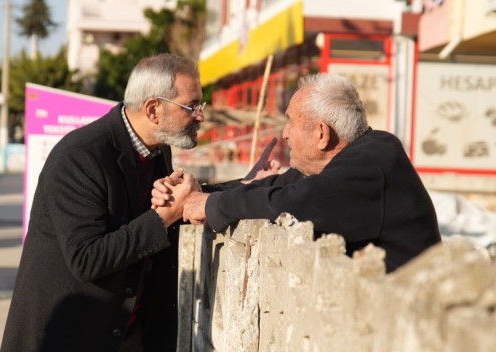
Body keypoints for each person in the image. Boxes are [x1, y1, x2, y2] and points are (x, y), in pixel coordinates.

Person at [0, 53, 205, 352]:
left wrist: (240, 188)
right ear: (153, 109)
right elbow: (86, 258)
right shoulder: (81, 156)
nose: (200, 116)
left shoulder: (156, 149)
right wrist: (161, 219)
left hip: (124, 338)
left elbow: (164, 205)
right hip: (69, 345)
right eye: (192, 106)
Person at [154, 72, 441, 273]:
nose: (285, 134)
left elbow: (290, 201)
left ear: (321, 134)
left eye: (290, 122)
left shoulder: (371, 163)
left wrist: (208, 205)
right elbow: (279, 185)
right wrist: (199, 193)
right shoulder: (344, 158)